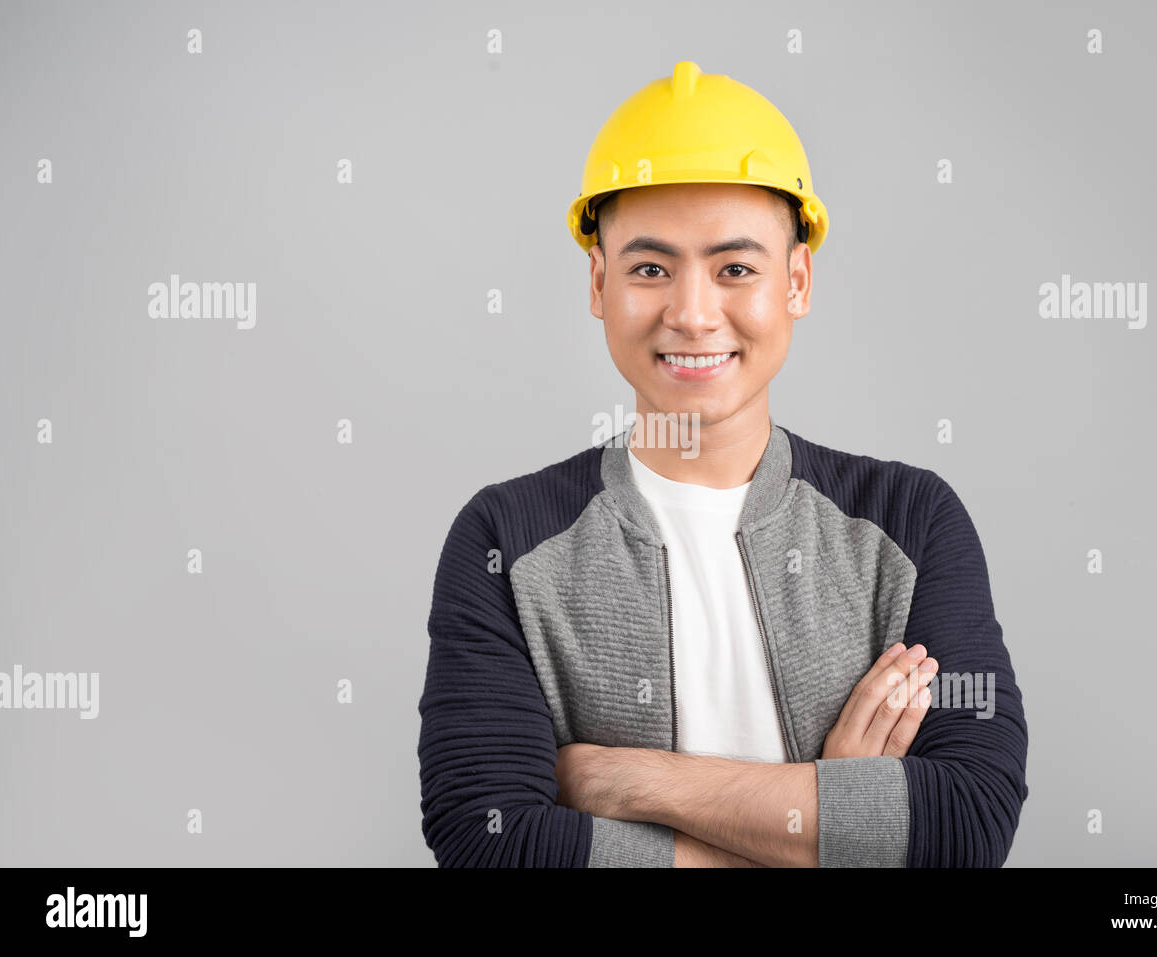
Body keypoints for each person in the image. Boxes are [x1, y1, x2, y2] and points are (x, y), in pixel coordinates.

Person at [417, 61, 1028, 867]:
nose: (693, 312)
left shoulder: (910, 523)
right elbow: (489, 843)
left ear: (796, 279)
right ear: (599, 282)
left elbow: (967, 821)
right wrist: (834, 822)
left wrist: (622, 779)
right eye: (649, 268)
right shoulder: (506, 539)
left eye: (736, 268)